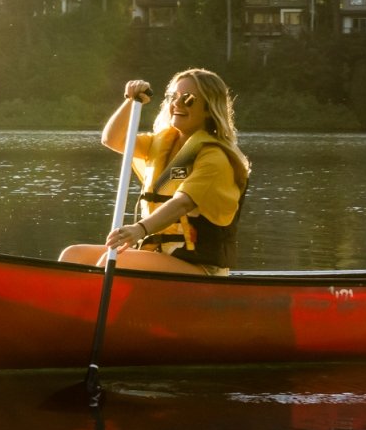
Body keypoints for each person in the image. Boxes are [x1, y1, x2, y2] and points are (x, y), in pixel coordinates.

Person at [59, 69, 251, 276]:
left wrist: (139, 229)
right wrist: (131, 101)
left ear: (209, 108)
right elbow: (112, 139)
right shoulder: (160, 144)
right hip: (161, 257)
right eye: (172, 97)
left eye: (188, 99)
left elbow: (182, 203)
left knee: (116, 260)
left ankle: (86, 304)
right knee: (73, 255)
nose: (176, 104)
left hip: (201, 269)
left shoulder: (215, 157)